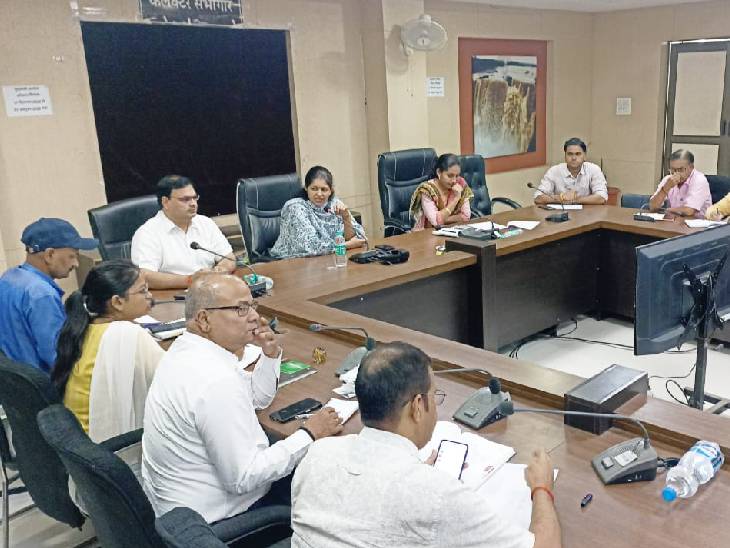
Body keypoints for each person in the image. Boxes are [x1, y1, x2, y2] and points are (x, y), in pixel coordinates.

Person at [291, 341, 561, 548]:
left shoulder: (318, 453)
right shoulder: (437, 496)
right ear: (418, 406)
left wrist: (415, 473)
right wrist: (541, 488)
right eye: (434, 395)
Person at [142, 273, 343, 524]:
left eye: (252, 305)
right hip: (216, 521)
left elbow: (256, 398)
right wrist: (310, 433)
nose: (255, 317)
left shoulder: (189, 351)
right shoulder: (214, 381)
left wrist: (270, 355)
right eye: (241, 309)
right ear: (204, 319)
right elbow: (244, 478)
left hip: (181, 507)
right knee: (327, 481)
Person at [52, 259, 163, 441]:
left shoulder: (85, 328)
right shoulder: (128, 334)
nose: (149, 296)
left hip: (82, 445)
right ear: (117, 302)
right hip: (109, 448)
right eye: (143, 291)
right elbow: (174, 382)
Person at [0, 218, 98, 373]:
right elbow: (59, 358)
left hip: (16, 381)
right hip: (43, 383)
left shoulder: (8, 278)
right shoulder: (41, 294)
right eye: (72, 256)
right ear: (50, 254)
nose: (76, 264)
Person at [131, 175, 238, 289]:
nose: (193, 204)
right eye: (185, 199)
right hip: (172, 295)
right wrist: (189, 280)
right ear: (165, 202)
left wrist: (219, 271)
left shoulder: (205, 223)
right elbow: (145, 276)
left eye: (194, 198)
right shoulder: (147, 233)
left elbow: (228, 257)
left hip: (211, 289)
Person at [270, 166, 367, 258]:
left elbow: (359, 238)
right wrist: (346, 245)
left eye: (324, 189)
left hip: (327, 259)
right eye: (314, 189)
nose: (319, 194)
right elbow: (310, 247)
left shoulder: (335, 204)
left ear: (331, 191)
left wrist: (346, 218)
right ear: (306, 188)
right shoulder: (295, 207)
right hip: (289, 261)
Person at [533, 138, 608, 205]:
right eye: (570, 154)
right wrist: (561, 197)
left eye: (578, 154)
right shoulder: (554, 171)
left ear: (585, 156)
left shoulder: (593, 169)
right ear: (565, 156)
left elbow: (602, 197)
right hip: (560, 214)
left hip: (588, 214)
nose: (574, 158)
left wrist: (575, 200)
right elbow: (538, 198)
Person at [409, 153, 474, 230]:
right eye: (450, 176)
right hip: (427, 233)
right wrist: (456, 199)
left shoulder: (460, 184)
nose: (454, 180)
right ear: (439, 172)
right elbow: (436, 223)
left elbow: (466, 216)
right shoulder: (427, 190)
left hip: (453, 231)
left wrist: (443, 219)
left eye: (457, 176)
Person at [649, 149, 711, 218]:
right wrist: (665, 188)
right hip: (675, 221)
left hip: (698, 222)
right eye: (673, 170)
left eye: (680, 169)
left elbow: (689, 211)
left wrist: (665, 210)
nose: (676, 173)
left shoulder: (699, 180)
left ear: (691, 167)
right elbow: (653, 207)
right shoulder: (668, 179)